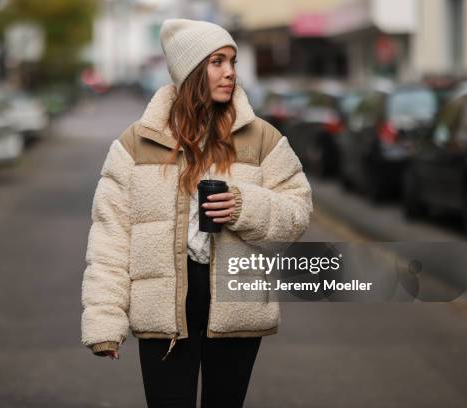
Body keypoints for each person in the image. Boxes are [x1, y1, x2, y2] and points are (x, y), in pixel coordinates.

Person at [81, 18, 313, 408]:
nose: (230, 72)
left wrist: (244, 206)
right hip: (163, 311)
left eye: (232, 61)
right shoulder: (135, 144)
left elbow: (298, 212)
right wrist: (105, 321)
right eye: (217, 62)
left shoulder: (262, 138)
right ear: (190, 71)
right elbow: (110, 237)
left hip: (235, 304)